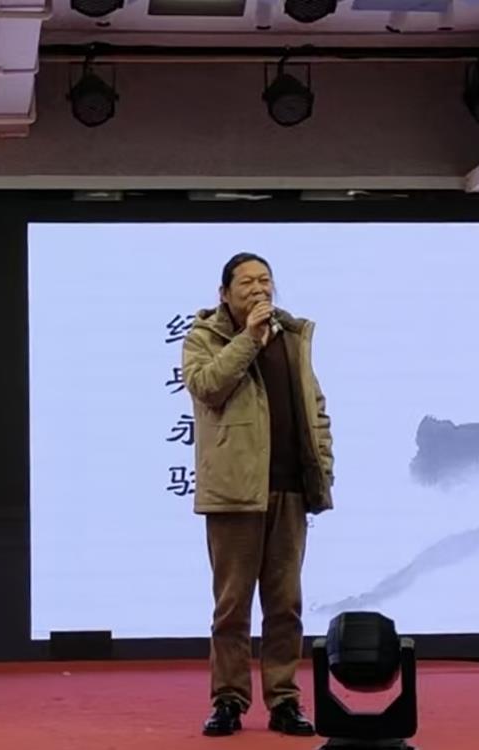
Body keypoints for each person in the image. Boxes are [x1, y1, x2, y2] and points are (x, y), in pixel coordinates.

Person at [182, 252, 334, 737]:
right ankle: (228, 700)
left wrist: (323, 464)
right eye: (246, 282)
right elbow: (207, 387)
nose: (258, 288)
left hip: (289, 489)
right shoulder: (204, 337)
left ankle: (284, 700)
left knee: (285, 605)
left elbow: (315, 408)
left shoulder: (292, 337)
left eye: (265, 280)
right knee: (231, 607)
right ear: (224, 293)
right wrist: (249, 338)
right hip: (234, 493)